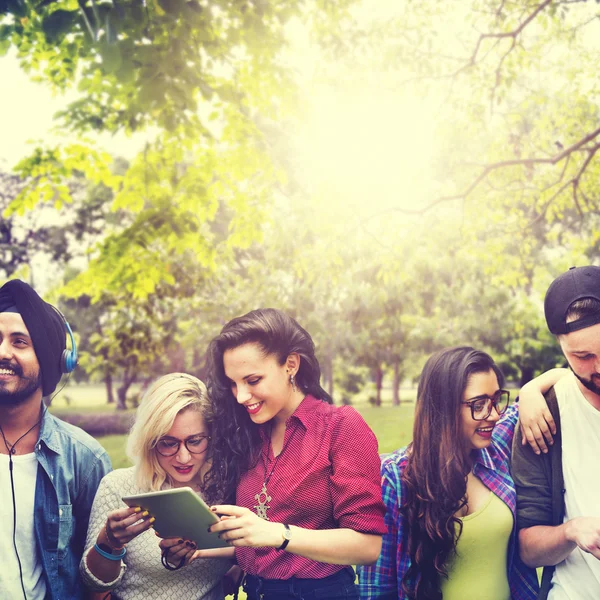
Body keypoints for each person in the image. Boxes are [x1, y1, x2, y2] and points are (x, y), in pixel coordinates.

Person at [161, 308, 387, 600]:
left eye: (252, 380)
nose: (241, 396)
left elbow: (367, 547)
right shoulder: (248, 434)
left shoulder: (341, 427)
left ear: (290, 364)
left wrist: (279, 533)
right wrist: (199, 549)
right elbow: (264, 546)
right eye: (233, 383)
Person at [357, 346, 542, 600]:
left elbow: (559, 380)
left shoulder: (495, 450)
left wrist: (531, 390)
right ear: (442, 407)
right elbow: (375, 589)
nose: (494, 415)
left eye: (497, 399)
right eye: (479, 404)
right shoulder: (397, 478)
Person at [0, 278, 112, 599]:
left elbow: (99, 578)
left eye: (19, 342)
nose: (3, 351)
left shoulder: (85, 460)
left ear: (52, 361)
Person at [80, 373, 233, 599]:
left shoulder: (228, 489)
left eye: (195, 441)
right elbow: (94, 587)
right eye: (168, 443)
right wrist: (109, 543)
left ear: (212, 436)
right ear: (150, 441)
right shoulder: (119, 486)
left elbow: (253, 559)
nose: (183, 457)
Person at [512, 265, 600, 600]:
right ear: (562, 348)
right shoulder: (544, 417)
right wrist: (572, 531)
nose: (599, 366)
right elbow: (529, 549)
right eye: (583, 356)